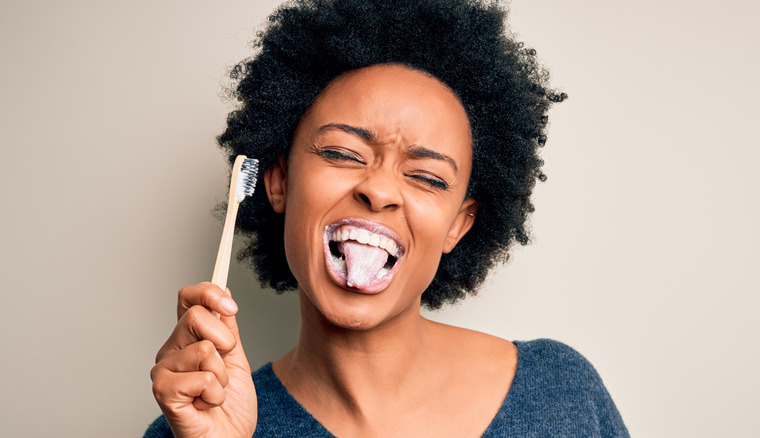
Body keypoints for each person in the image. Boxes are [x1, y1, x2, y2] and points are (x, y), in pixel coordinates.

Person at [146, 0, 629, 436]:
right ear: (279, 182)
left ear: (458, 226)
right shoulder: (194, 421)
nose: (378, 190)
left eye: (429, 178)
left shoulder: (560, 394)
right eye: (342, 152)